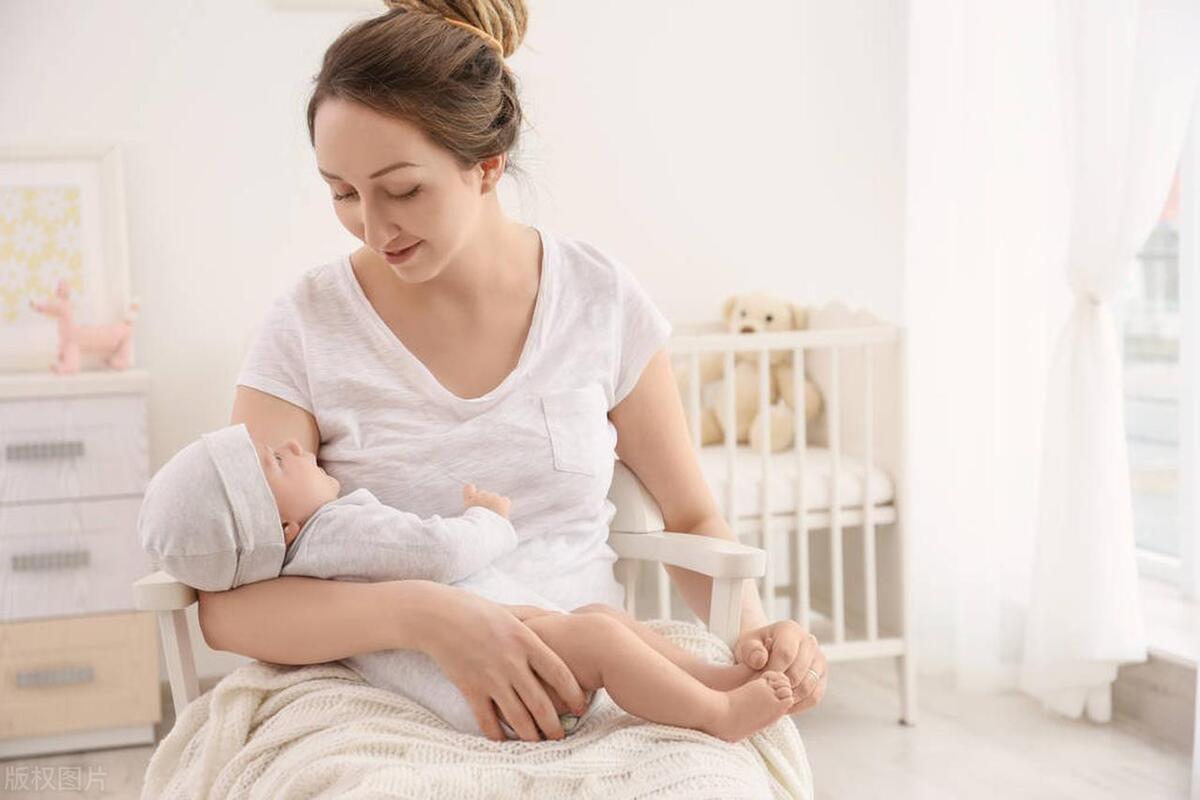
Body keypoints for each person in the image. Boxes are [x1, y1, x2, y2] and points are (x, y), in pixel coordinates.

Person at [195, 0, 828, 745]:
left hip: (594, 677)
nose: (372, 225)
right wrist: (431, 616)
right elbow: (229, 602)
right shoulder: (307, 326)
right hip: (379, 692)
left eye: (402, 190)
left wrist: (758, 642)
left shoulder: (599, 300)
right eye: (342, 192)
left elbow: (691, 519)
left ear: (486, 165)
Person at [138, 423, 798, 742]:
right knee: (599, 632)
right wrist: (489, 520)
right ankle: (718, 714)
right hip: (498, 680)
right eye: (277, 461)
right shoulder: (337, 532)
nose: (291, 445)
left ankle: (710, 679)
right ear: (280, 526)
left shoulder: (315, 545)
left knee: (602, 617)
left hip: (504, 645)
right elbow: (438, 553)